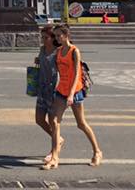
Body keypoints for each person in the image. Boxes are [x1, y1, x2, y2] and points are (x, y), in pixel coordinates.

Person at [43, 24, 102, 170]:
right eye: (55, 36)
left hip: (74, 91)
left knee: (81, 124)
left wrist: (71, 95)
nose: (56, 38)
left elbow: (76, 74)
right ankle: (55, 158)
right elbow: (55, 69)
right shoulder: (58, 51)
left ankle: (97, 152)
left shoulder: (74, 51)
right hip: (61, 90)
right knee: (55, 122)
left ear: (66, 35)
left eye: (59, 35)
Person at [34, 25, 60, 163]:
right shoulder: (43, 49)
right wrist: (38, 60)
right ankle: (58, 139)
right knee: (39, 119)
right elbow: (41, 61)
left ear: (52, 38)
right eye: (42, 37)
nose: (43, 40)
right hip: (42, 88)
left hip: (54, 90)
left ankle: (54, 152)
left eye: (46, 37)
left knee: (53, 122)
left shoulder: (58, 51)